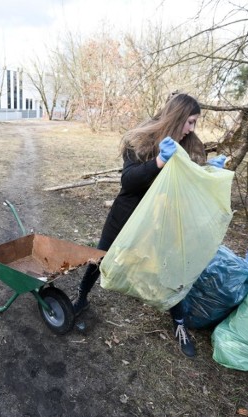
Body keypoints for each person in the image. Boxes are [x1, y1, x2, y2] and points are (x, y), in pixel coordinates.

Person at [73, 92, 214, 358]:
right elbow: (129, 181)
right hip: (128, 213)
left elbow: (189, 182)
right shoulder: (139, 140)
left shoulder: (190, 145)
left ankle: (179, 324)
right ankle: (80, 298)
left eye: (195, 123)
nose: (192, 129)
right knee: (101, 256)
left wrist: (208, 172)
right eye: (190, 122)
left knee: (172, 267)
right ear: (178, 117)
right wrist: (159, 161)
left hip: (162, 217)